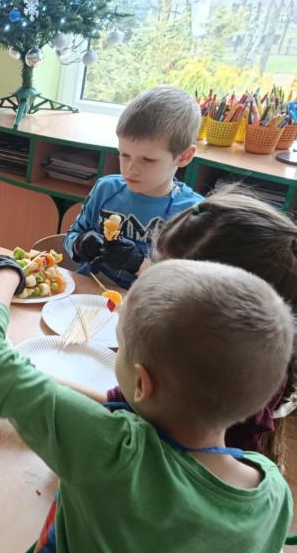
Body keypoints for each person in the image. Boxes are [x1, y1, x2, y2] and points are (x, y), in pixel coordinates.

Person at [0, 255, 293, 553]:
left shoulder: (116, 453)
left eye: (121, 346)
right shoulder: (273, 492)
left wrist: (5, 271)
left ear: (141, 384)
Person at [95, 186, 297, 465]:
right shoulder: (206, 357)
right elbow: (122, 403)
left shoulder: (221, 417)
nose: (148, 287)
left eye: (163, 283)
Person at [64, 85, 203, 288]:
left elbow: (188, 286)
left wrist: (140, 264)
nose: (130, 169)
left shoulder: (194, 213)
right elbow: (71, 236)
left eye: (147, 160)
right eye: (124, 154)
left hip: (143, 302)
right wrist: (79, 244)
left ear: (184, 156)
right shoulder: (106, 189)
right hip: (88, 293)